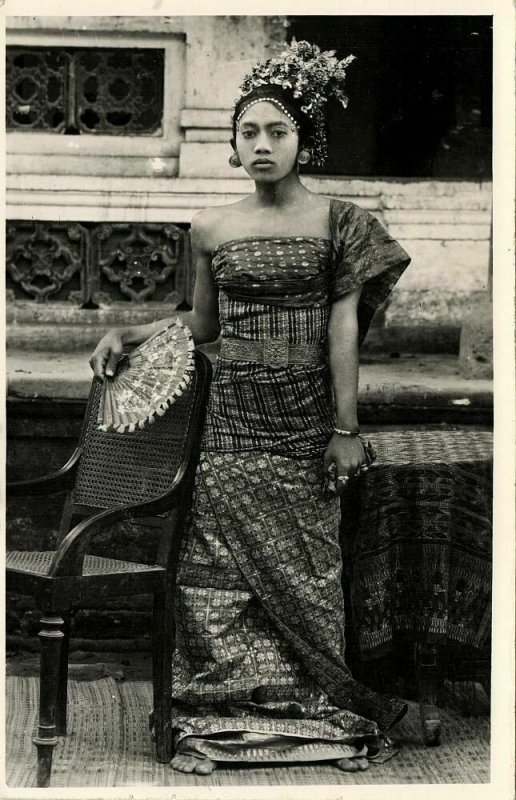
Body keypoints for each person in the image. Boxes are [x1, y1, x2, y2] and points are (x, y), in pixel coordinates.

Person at [90, 40, 411, 775]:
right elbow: (202, 328)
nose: (263, 145)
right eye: (249, 134)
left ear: (305, 141)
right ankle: (214, 723)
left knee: (307, 573)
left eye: (278, 132)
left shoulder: (341, 223)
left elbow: (342, 331)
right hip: (231, 422)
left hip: (305, 425)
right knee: (216, 575)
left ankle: (320, 721)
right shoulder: (211, 227)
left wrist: (345, 430)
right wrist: (128, 329)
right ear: (232, 148)